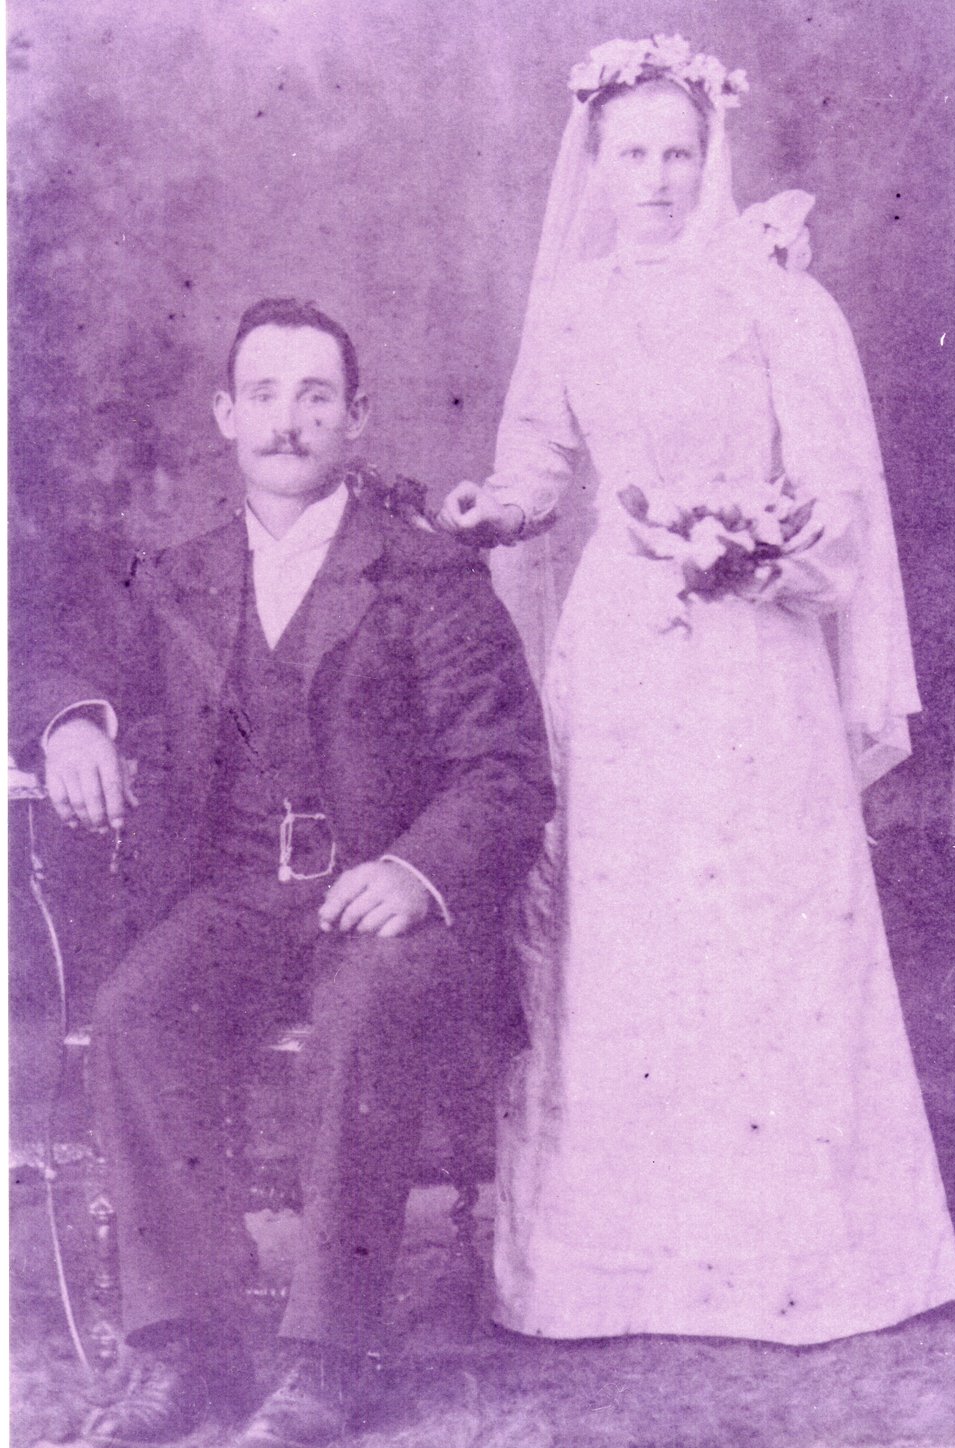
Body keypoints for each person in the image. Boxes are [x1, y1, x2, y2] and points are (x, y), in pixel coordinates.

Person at [438, 36, 955, 1345]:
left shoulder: (771, 300)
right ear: (596, 162)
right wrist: (491, 507)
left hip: (754, 649)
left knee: (758, 915)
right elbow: (539, 463)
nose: (658, 178)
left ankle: (792, 1254)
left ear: (709, 153)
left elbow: (833, 488)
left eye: (679, 152)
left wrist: (765, 555)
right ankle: (619, 1267)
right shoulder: (572, 306)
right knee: (630, 921)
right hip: (622, 646)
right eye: (633, 154)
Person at [27, 296, 553, 1446]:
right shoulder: (177, 575)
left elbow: (508, 768)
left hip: (380, 901)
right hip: (230, 895)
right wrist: (72, 725)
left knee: (364, 1010)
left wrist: (416, 868)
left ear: (357, 418)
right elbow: (56, 661)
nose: (286, 419)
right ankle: (188, 1349)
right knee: (135, 1010)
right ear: (225, 414)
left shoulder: (428, 574)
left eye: (315, 396)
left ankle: (328, 1357)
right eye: (262, 394)